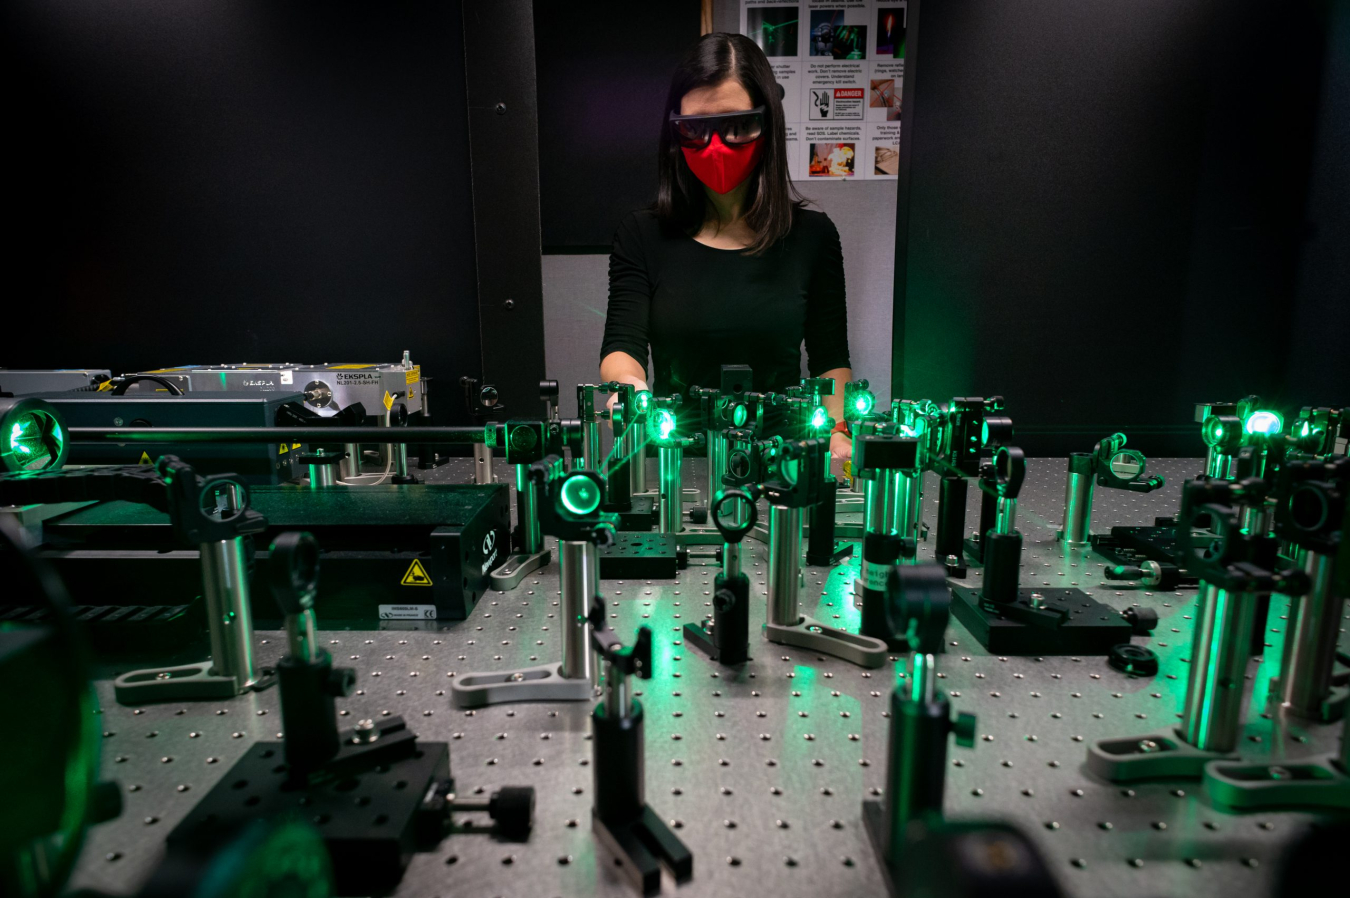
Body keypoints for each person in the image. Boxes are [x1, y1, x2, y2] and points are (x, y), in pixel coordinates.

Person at [600, 32, 855, 466]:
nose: (715, 147)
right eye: (695, 130)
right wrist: (629, 393)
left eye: (736, 126)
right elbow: (622, 347)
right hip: (676, 465)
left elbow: (831, 362)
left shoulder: (813, 237)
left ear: (767, 124)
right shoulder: (641, 234)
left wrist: (837, 433)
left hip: (786, 465)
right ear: (674, 132)